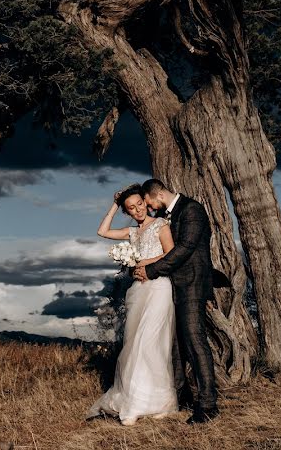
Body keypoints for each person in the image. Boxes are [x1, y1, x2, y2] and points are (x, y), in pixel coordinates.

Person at [86, 184, 179, 424]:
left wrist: (144, 261)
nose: (137, 210)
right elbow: (102, 231)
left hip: (159, 288)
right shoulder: (132, 232)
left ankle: (158, 402)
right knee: (133, 343)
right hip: (138, 292)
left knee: (150, 343)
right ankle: (139, 399)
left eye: (139, 204)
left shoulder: (161, 225)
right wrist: (115, 205)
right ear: (127, 211)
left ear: (146, 203)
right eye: (131, 208)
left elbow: (171, 252)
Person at [134, 178, 219, 424]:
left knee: (195, 341)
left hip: (191, 284)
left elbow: (184, 249)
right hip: (172, 285)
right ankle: (181, 395)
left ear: (158, 195)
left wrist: (151, 271)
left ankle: (208, 404)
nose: (149, 209)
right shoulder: (167, 215)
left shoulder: (192, 210)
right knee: (176, 345)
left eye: (148, 203)